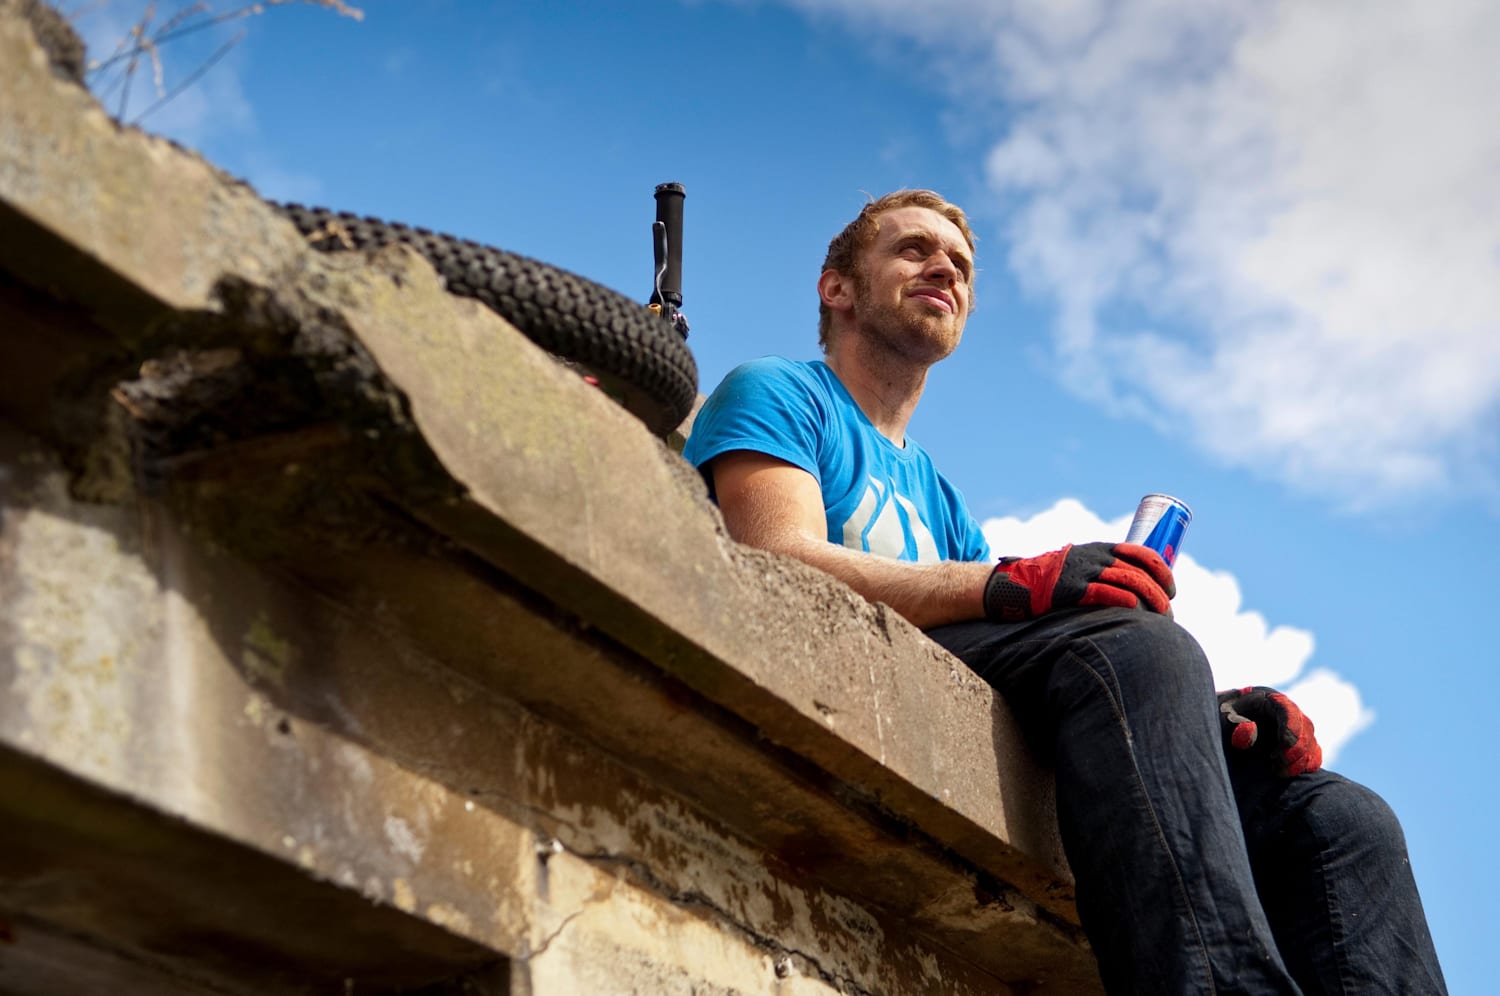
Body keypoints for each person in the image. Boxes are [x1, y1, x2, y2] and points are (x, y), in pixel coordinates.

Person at [682, 190, 1447, 995]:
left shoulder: (937, 493)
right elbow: (777, 557)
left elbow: (1015, 649)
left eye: (962, 266)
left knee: (1339, 820)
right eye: (913, 250)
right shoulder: (779, 391)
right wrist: (1018, 583)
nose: (945, 267)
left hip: (985, 674)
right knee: (1142, 647)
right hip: (832, 668)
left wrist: (1214, 721)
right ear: (836, 287)